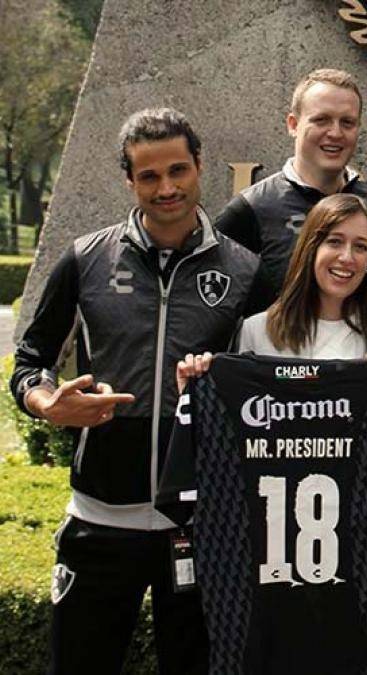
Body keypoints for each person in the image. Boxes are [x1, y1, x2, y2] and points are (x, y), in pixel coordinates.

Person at [9, 108, 267, 674]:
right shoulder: (85, 258)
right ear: (129, 180)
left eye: (178, 170)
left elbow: (265, 379)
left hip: (199, 524)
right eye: (149, 176)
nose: (166, 187)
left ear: (200, 166)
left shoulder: (246, 270)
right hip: (100, 519)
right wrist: (46, 402)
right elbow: (30, 360)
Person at [176, 192, 367, 605]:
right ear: (310, 246)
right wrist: (197, 390)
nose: (347, 257)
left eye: (361, 246)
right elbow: (233, 439)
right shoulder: (257, 332)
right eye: (334, 241)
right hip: (279, 536)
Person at [213, 68, 367, 303]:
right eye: (321, 120)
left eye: (347, 122)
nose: (335, 133)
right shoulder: (250, 210)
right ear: (293, 125)